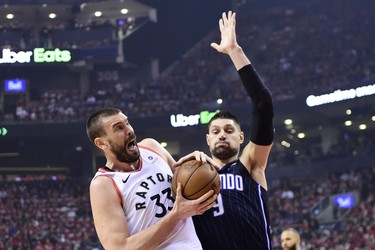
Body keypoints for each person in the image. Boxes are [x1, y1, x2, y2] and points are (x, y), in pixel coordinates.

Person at [182, 11, 275, 249]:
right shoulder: (189, 179)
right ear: (207, 139)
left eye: (228, 130)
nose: (221, 134)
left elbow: (263, 104)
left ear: (241, 137)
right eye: (215, 131)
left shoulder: (250, 166)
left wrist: (235, 51)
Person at [86, 108, 217, 249]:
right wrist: (175, 216)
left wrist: (197, 164)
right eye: (118, 128)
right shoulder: (103, 184)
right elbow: (120, 247)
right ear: (101, 143)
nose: (129, 130)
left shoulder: (152, 147)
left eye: (127, 123)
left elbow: (188, 184)